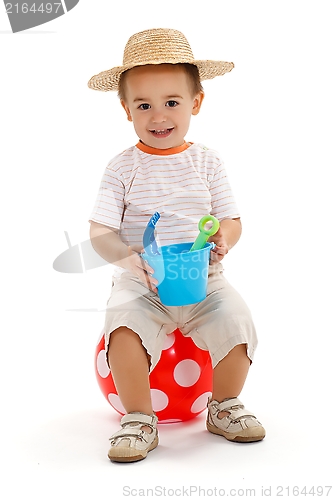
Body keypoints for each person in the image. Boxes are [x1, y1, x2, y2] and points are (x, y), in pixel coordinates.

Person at [88, 28, 265, 463]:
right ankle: (139, 417)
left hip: (205, 278)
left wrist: (225, 237)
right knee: (124, 327)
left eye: (172, 102)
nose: (158, 115)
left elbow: (231, 219)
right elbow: (99, 232)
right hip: (143, 282)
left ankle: (223, 406)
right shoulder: (121, 168)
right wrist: (127, 258)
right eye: (143, 105)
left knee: (238, 322)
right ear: (126, 109)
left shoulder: (207, 161)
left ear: (196, 103)